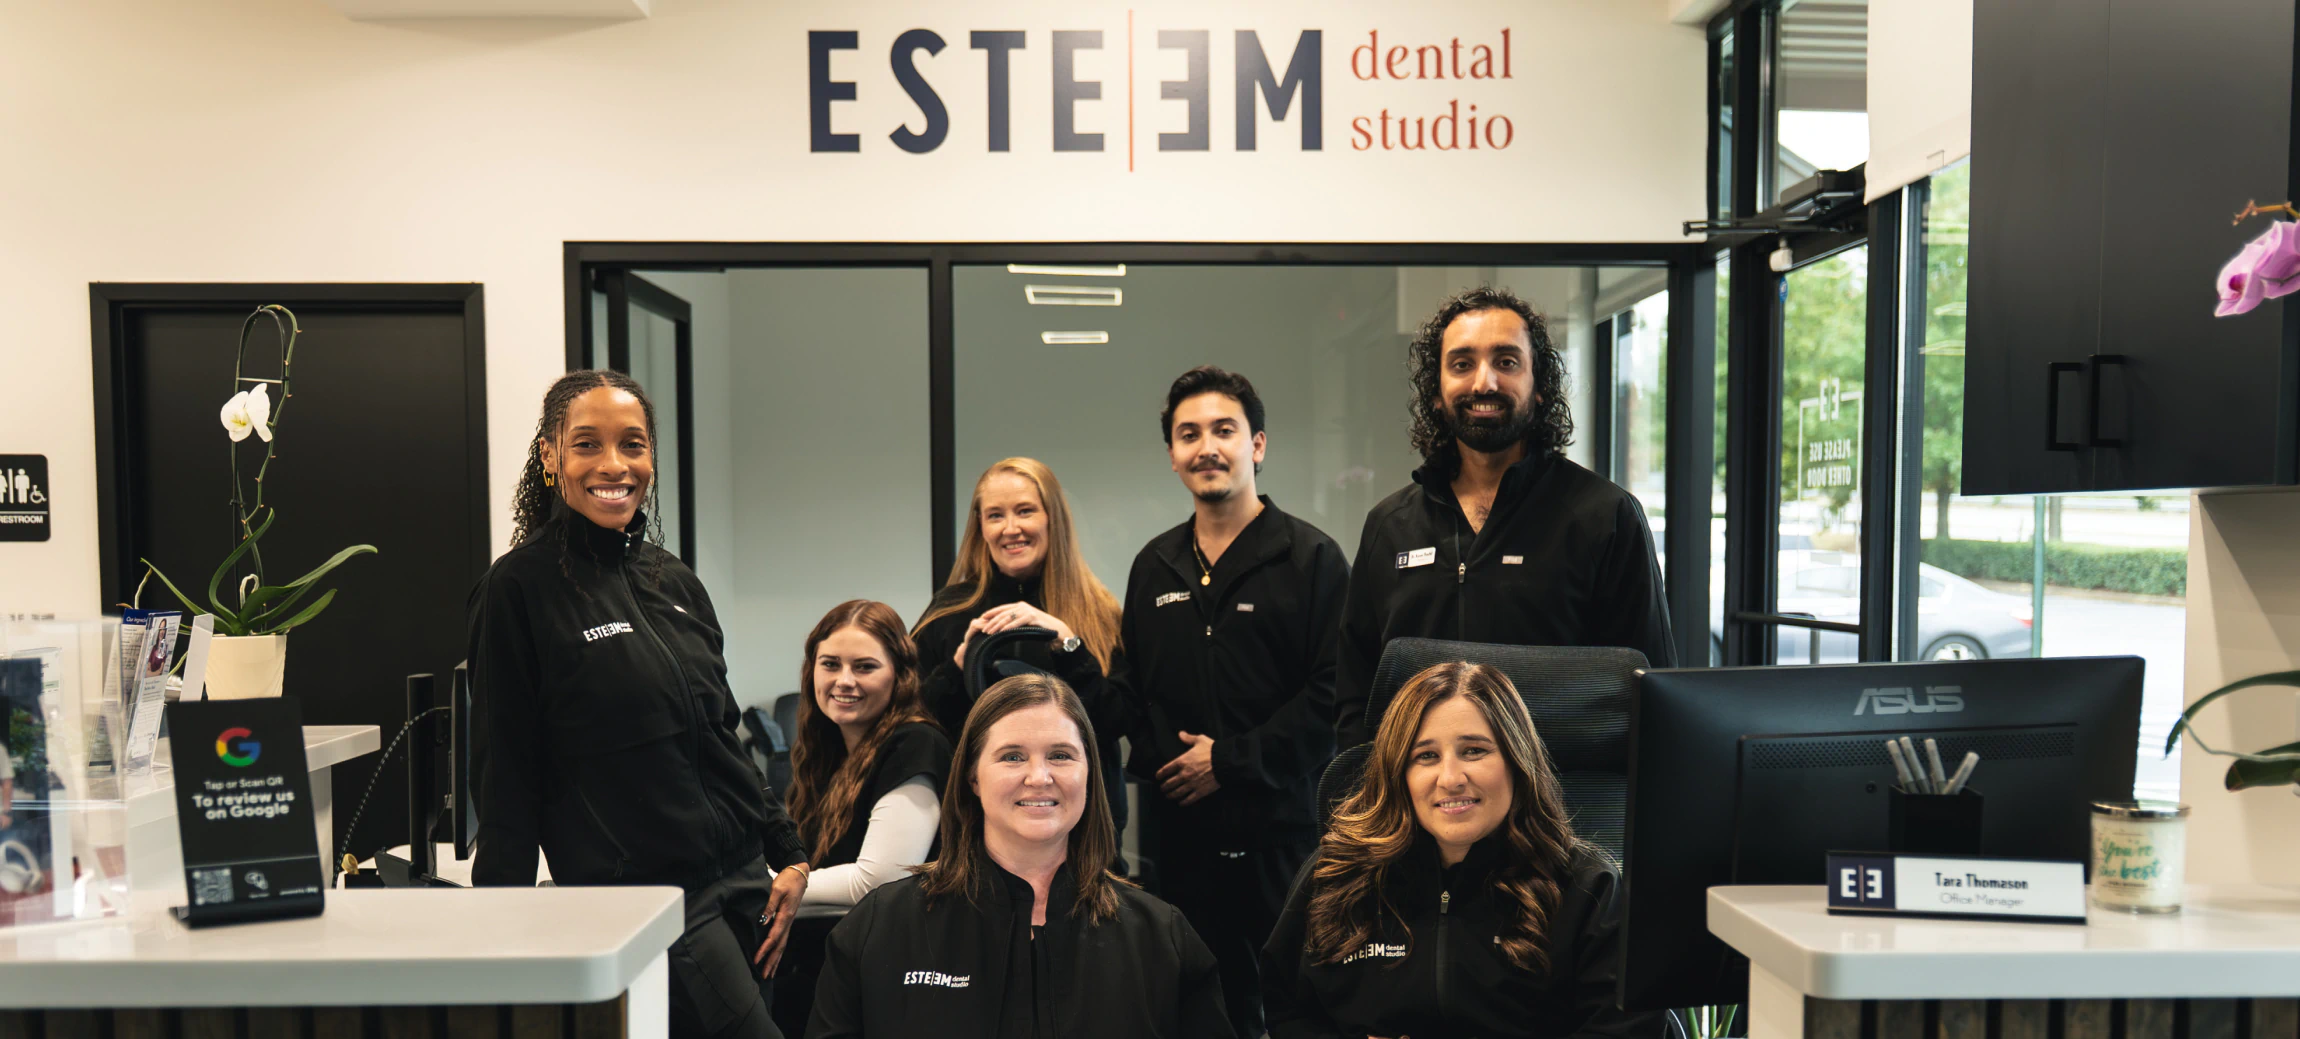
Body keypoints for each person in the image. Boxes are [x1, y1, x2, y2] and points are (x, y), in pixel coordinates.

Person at [470, 369, 812, 1039]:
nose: (614, 465)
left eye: (633, 444)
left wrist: (790, 851)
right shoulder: (518, 590)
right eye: (587, 443)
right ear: (549, 456)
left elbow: (719, 730)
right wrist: (497, 929)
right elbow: (505, 767)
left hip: (746, 882)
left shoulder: (672, 577)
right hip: (651, 902)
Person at [1113, 365, 1350, 1039]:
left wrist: (1232, 760)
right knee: (1193, 1003)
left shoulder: (1313, 559)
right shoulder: (1153, 565)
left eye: (1224, 429)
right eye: (1189, 434)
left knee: (1296, 1004)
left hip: (1284, 834)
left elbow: (1334, 695)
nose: (1206, 446)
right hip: (1179, 839)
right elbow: (1135, 690)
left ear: (1258, 445)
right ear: (1171, 455)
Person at [805, 672, 1233, 1039]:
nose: (1038, 777)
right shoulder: (881, 925)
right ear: (972, 776)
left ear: (1089, 774)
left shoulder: (1162, 937)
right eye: (1012, 757)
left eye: (1061, 756)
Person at [1334, 287, 1674, 748]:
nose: (1483, 383)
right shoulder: (1389, 525)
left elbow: (1647, 688)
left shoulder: (1605, 516)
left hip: (1561, 804)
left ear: (1539, 389)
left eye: (1507, 362)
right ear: (1436, 392)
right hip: (1417, 802)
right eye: (1461, 364)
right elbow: (1357, 692)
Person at [1260, 662, 1660, 1039]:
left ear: (1517, 761)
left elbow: (1627, 1028)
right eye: (1426, 756)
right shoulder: (1336, 873)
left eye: (1474, 751)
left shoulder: (1588, 889)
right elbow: (1287, 1008)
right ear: (1399, 773)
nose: (1450, 779)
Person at [910, 458, 1127, 829]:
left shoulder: (1099, 611)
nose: (1011, 529)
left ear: (1051, 518)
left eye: (1025, 511)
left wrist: (1069, 645)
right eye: (995, 515)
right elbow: (914, 727)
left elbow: (1117, 720)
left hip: (1083, 832)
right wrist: (957, 668)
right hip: (972, 830)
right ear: (980, 527)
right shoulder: (947, 611)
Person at [773, 600, 952, 1034]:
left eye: (865, 666)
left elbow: (877, 881)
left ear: (900, 675)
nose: (844, 681)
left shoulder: (915, 743)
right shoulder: (827, 751)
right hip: (830, 967)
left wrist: (767, 885)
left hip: (887, 982)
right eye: (830, 664)